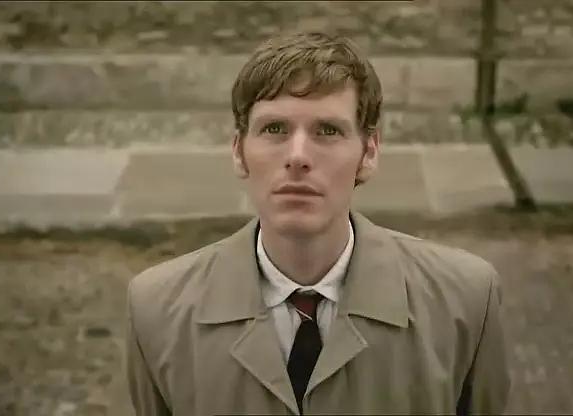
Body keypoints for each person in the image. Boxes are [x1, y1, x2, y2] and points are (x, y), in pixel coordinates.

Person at [126, 31, 510, 416]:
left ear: (369, 152)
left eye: (327, 130)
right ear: (239, 152)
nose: (298, 157)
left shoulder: (464, 303)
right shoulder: (157, 311)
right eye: (274, 129)